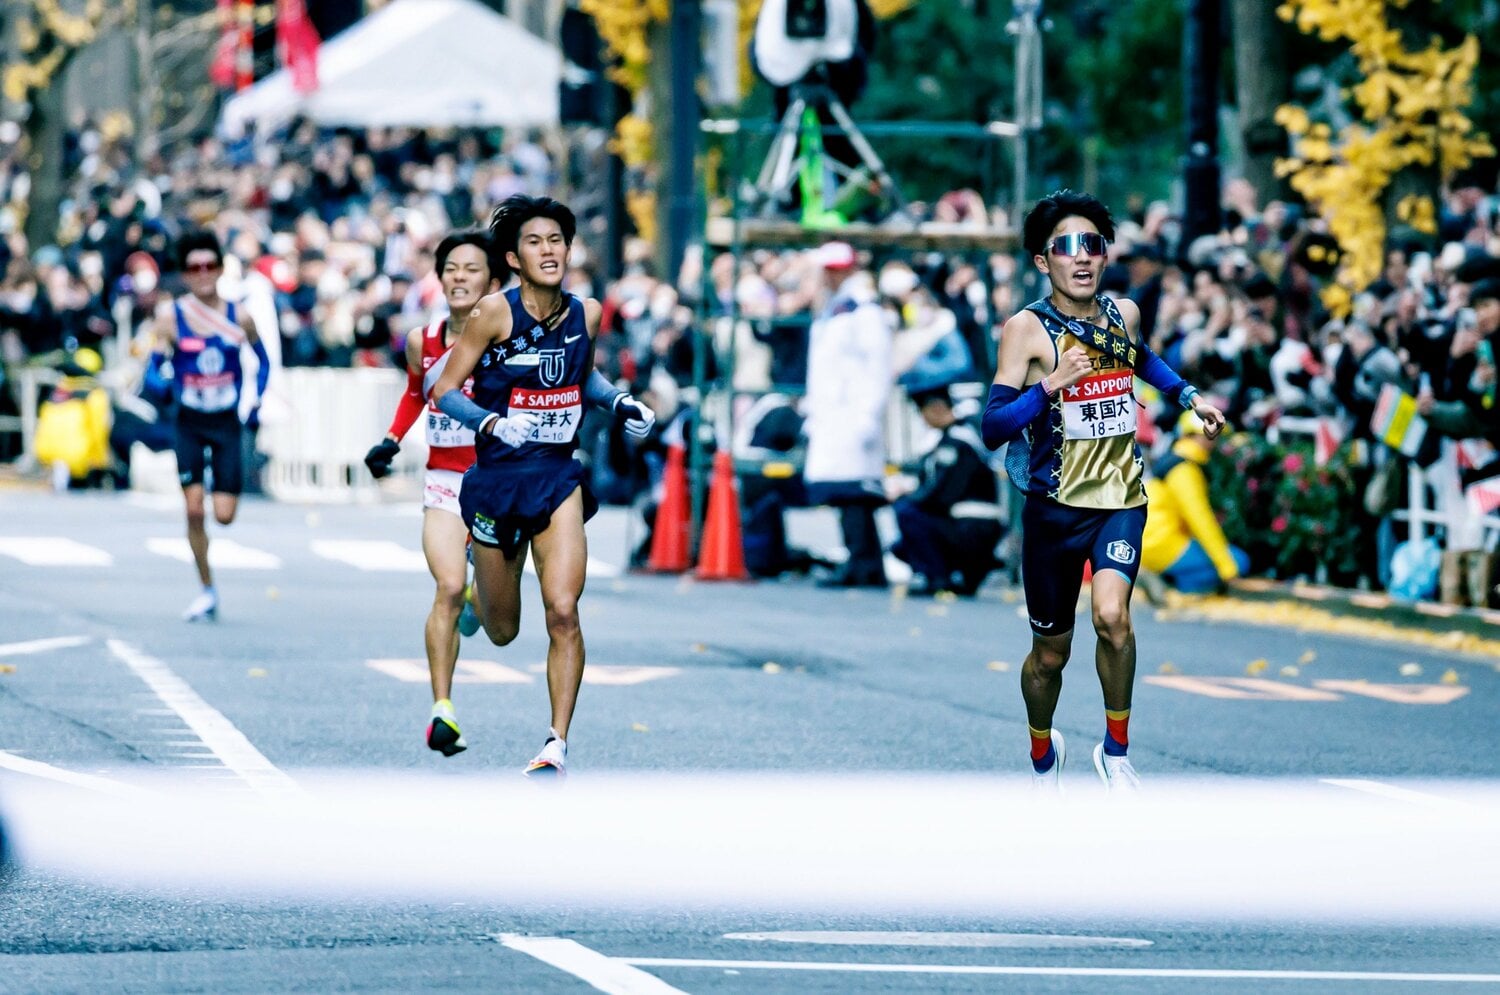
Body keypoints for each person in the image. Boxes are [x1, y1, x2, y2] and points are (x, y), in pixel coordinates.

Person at [980, 190, 1226, 792]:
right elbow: (991, 427)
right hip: (1054, 509)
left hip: (1120, 499)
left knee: (1113, 617)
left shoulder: (1124, 313)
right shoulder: (1026, 329)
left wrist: (1191, 397)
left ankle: (1116, 752)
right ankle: (1044, 749)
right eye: (1066, 247)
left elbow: (1140, 358)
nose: (1082, 257)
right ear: (1043, 261)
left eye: (1092, 244)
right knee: (1050, 656)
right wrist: (1049, 387)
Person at [430, 195, 655, 777]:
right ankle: (478, 596)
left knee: (563, 611)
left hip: (557, 476)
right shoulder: (491, 315)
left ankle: (556, 741)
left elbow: (585, 376)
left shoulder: (589, 312)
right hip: (499, 481)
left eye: (557, 240)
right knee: (504, 631)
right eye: (535, 242)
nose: (549, 250)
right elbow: (445, 389)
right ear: (514, 255)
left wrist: (620, 400)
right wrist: (491, 422)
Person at [362, 230, 504, 757]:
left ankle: (478, 600)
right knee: (446, 586)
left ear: (493, 281)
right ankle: (441, 708)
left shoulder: (508, 338)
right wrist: (391, 440)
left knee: (493, 619)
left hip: (497, 483)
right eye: (451, 269)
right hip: (445, 482)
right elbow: (415, 393)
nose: (460, 277)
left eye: (472, 269)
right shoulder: (424, 340)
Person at [152, 230, 272, 621]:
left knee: (224, 514)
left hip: (225, 425)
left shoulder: (240, 315)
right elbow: (154, 366)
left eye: (210, 265)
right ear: (185, 274)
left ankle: (207, 582)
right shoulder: (173, 318)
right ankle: (206, 588)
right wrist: (162, 383)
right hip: (188, 422)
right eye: (194, 267)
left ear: (220, 269)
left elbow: (263, 361)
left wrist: (254, 404)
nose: (203, 273)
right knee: (193, 509)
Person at [889, 385, 1003, 596]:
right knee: (900, 545)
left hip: (971, 528)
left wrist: (907, 495)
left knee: (907, 511)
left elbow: (942, 494)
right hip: (972, 526)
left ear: (937, 408)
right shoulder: (961, 436)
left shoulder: (957, 442)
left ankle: (938, 577)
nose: (923, 420)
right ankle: (961, 576)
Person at [1139, 411, 1249, 594]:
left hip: (1149, 541)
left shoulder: (1173, 459)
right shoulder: (1184, 470)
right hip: (1161, 544)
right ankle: (1172, 584)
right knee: (1240, 561)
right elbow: (1200, 519)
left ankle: (1163, 579)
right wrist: (1227, 568)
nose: (1215, 440)